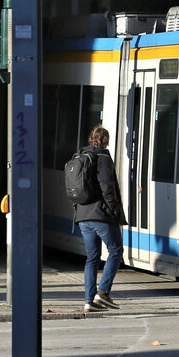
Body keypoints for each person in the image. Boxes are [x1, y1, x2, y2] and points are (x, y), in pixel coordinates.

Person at [74, 126, 126, 312]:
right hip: (100, 215)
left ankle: (89, 301)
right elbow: (107, 187)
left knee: (92, 258)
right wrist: (114, 210)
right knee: (116, 251)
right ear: (106, 140)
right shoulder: (103, 157)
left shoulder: (81, 156)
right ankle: (103, 293)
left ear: (91, 139)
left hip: (83, 216)